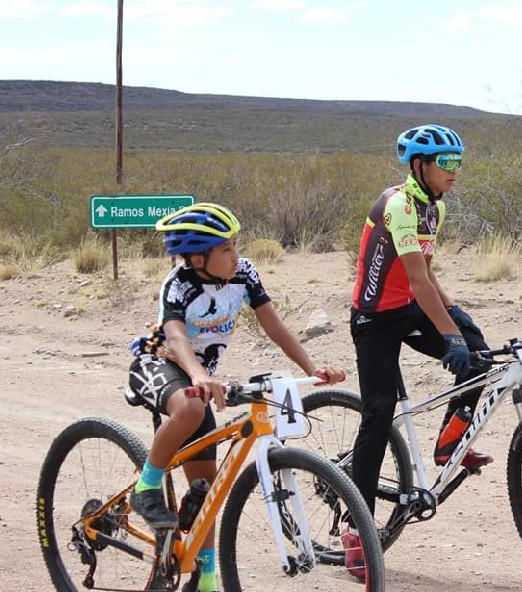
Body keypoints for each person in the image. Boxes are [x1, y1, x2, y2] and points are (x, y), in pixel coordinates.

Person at [127, 202, 346, 592]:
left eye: (235, 245)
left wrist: (311, 369)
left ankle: (207, 580)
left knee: (206, 494)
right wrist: (198, 374)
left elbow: (275, 328)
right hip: (159, 364)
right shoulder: (178, 284)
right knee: (192, 407)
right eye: (226, 249)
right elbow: (176, 337)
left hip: (199, 379)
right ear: (197, 257)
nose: (236, 255)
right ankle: (146, 487)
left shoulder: (244, 274)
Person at [346, 124, 492, 574]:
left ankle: (451, 441)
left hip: (409, 309)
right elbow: (414, 278)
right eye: (446, 164)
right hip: (374, 320)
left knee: (481, 357)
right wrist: (448, 335)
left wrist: (456, 315)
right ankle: (356, 528)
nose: (455, 171)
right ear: (419, 165)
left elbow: (427, 275)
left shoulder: (435, 208)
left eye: (458, 162)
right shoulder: (399, 206)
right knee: (378, 414)